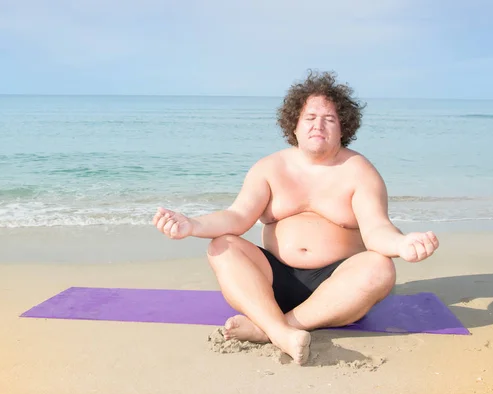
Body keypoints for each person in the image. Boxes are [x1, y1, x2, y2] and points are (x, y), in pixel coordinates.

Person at [151, 70, 439, 365]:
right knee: (221, 245)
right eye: (310, 117)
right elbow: (237, 216)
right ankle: (280, 329)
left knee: (380, 267)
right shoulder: (269, 168)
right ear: (295, 126)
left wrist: (403, 244)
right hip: (274, 281)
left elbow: (376, 229)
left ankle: (273, 329)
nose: (319, 125)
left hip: (339, 288)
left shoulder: (359, 171)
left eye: (329, 119)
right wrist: (192, 225)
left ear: (343, 128)